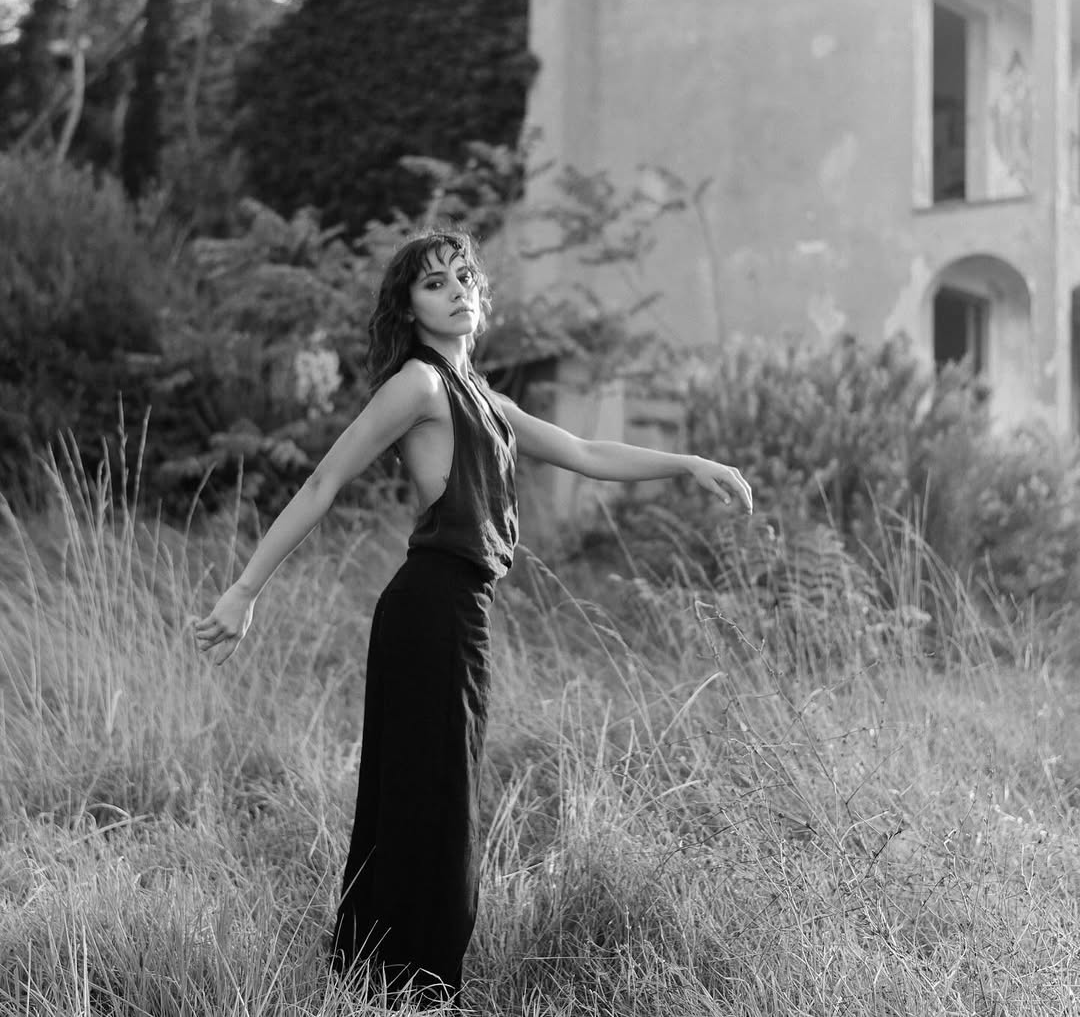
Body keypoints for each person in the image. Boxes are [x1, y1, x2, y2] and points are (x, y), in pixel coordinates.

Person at [194, 227, 752, 1010]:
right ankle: (413, 989)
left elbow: (586, 452)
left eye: (464, 276)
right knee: (434, 809)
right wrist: (245, 590)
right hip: (430, 606)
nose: (456, 289)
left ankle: (380, 983)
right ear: (410, 308)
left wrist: (688, 463)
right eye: (434, 283)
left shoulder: (485, 399)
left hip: (461, 609)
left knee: (428, 802)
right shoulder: (419, 386)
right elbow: (324, 482)